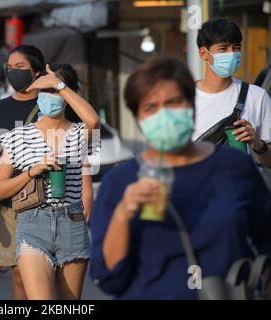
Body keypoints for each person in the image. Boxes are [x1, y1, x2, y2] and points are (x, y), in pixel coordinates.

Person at [90, 57, 271, 299]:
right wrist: (123, 214)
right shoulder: (120, 182)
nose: (163, 115)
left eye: (173, 102)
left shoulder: (234, 167)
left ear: (192, 106)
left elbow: (266, 239)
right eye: (150, 107)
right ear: (138, 118)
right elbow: (107, 277)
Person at [0, 63, 100, 300]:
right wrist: (31, 171)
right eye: (45, 91)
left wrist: (58, 84)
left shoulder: (79, 133)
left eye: (55, 92)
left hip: (71, 222)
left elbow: (94, 122)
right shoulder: (17, 136)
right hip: (32, 222)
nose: (49, 96)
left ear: (67, 94)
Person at [0, 44, 47, 300]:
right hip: (11, 202)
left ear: (38, 71)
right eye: (9, 68)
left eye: (20, 68)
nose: (13, 73)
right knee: (20, 275)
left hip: (51, 200)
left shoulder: (53, 104)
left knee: (50, 275)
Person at [194, 18, 271, 169]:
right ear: (204, 53)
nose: (232, 54)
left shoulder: (257, 96)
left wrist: (257, 144)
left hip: (241, 190)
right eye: (223, 49)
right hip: (195, 190)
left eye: (236, 48)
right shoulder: (183, 98)